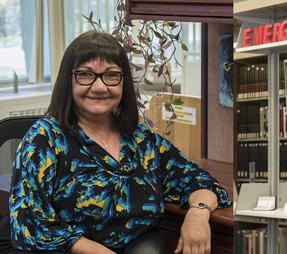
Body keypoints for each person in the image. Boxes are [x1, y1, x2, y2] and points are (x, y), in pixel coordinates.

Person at [7, 30, 231, 254]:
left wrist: (198, 214)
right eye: (85, 75)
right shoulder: (44, 140)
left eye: (111, 75)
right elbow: (31, 226)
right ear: (69, 80)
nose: (100, 87)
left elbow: (198, 181)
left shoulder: (140, 139)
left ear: (123, 81)